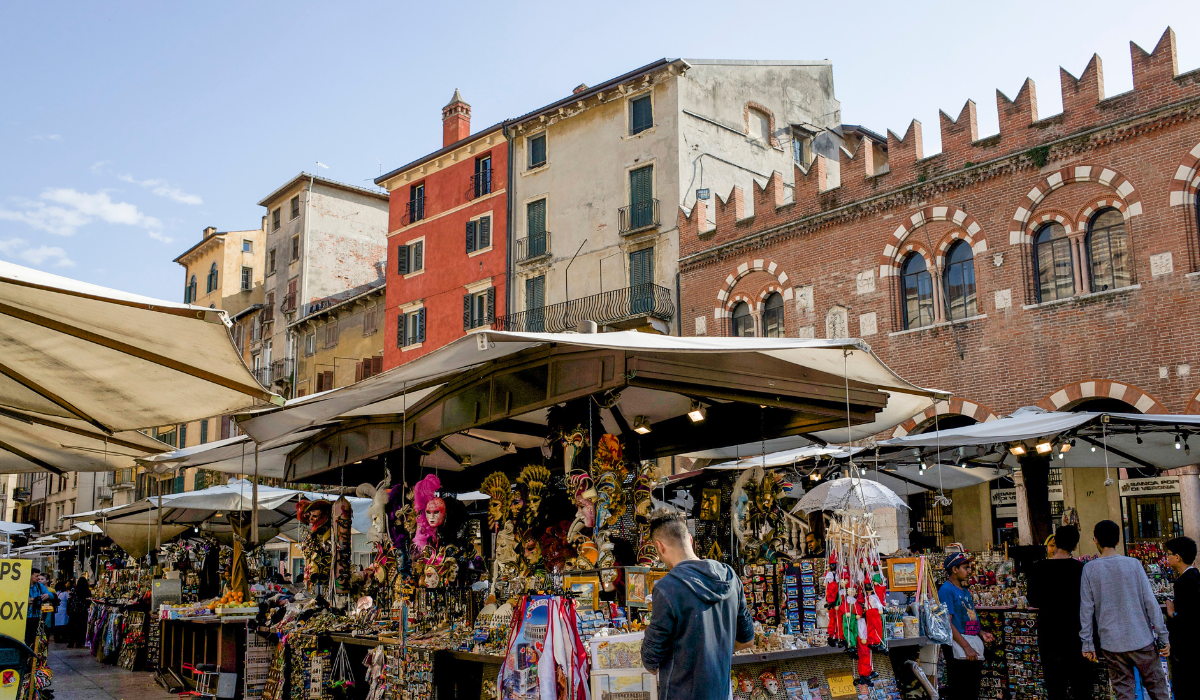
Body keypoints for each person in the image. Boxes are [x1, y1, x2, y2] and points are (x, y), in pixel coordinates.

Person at [640, 509, 754, 700]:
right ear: (690, 540)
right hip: (721, 693)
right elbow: (747, 641)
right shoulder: (730, 576)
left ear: (659, 547)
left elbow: (651, 661)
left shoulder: (667, 587)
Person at [1080, 520, 1170, 700]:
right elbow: (1150, 602)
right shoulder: (1133, 564)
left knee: (1123, 693)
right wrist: (1163, 635)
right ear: (1118, 540)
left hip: (1111, 643)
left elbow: (1086, 609)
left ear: (1095, 540)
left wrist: (1087, 643)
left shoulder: (1090, 569)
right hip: (1141, 639)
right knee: (1158, 690)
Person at [1026, 525, 1093, 699]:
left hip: (1049, 635)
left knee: (1055, 688)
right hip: (1076, 635)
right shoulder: (1082, 569)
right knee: (1082, 687)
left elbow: (1033, 600)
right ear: (1075, 545)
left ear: (1055, 542)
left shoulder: (1037, 568)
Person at [937, 552, 994, 700]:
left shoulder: (964, 591)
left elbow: (967, 619)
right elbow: (947, 622)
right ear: (954, 569)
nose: (969, 571)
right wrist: (966, 646)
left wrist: (981, 633)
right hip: (960, 647)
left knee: (972, 689)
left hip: (969, 643)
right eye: (965, 568)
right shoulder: (946, 590)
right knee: (961, 690)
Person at [1163, 536, 1199, 692]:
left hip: (1187, 651)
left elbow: (1188, 618)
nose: (1167, 557)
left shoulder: (1185, 582)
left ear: (1177, 557)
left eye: (1169, 554)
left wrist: (1172, 613)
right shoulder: (1195, 577)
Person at [25, 568, 53, 648]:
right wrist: (26, 601)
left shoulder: (39, 586)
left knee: (35, 639)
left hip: (37, 616)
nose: (38, 578)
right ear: (30, 576)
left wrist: (47, 595)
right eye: (36, 576)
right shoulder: (24, 585)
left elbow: (50, 594)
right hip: (25, 617)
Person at [66, 575, 92, 648]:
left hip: (73, 611)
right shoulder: (87, 591)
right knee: (81, 627)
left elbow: (69, 600)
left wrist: (68, 609)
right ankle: (79, 642)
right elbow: (88, 601)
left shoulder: (74, 590)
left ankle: (71, 642)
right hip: (82, 612)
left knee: (72, 627)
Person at [52, 575, 71, 643]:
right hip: (64, 610)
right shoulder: (65, 593)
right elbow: (69, 600)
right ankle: (63, 638)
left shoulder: (56, 593)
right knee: (63, 624)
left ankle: (56, 638)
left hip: (56, 610)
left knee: (57, 624)